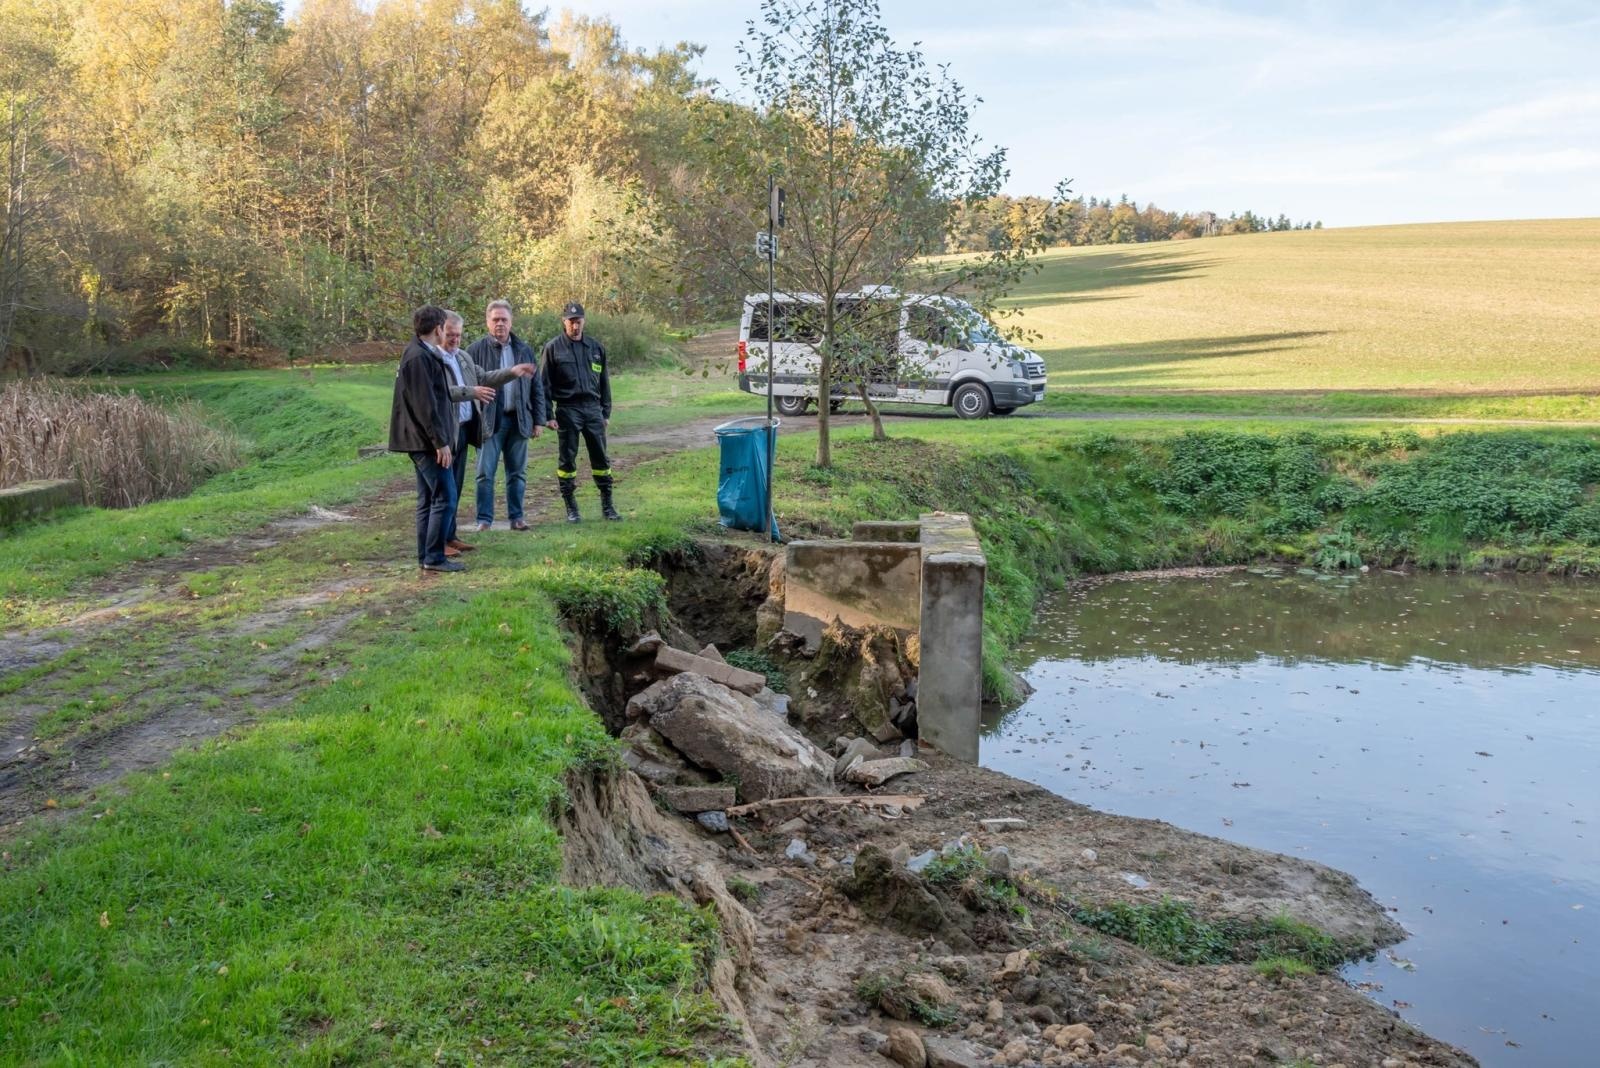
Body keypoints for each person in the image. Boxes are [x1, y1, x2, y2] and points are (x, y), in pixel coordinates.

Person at [437, 310, 537, 552]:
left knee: (456, 487)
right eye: (450, 335)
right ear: (439, 332)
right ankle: (439, 541)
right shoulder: (434, 359)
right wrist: (473, 392)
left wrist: (512, 372)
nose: (455, 340)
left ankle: (450, 536)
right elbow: (443, 391)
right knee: (445, 489)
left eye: (458, 335)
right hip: (444, 432)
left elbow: (484, 376)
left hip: (463, 430)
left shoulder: (462, 357)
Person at [388, 305, 463, 573]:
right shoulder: (418, 357)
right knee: (445, 496)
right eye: (445, 327)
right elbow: (425, 405)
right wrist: (440, 442)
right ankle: (434, 557)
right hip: (424, 442)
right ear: (437, 328)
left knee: (428, 500)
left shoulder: (420, 353)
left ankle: (426, 556)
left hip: (421, 439)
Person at [465, 299, 545, 531]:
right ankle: (484, 520)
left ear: (511, 322)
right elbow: (468, 386)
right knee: (484, 473)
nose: (500, 324)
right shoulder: (475, 350)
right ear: (487, 322)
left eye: (504, 319)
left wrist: (538, 420)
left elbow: (537, 387)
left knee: (517, 473)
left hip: (519, 419)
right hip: (489, 421)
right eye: (495, 319)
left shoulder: (524, 349)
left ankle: (517, 518)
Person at [539, 301, 618, 522]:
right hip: (567, 410)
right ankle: (571, 508)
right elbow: (543, 384)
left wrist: (606, 413)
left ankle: (608, 506)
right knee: (567, 460)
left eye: (579, 322)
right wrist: (548, 415)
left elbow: (604, 383)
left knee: (601, 459)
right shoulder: (553, 348)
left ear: (584, 321)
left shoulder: (595, 348)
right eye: (571, 322)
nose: (575, 327)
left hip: (593, 410)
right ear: (564, 322)